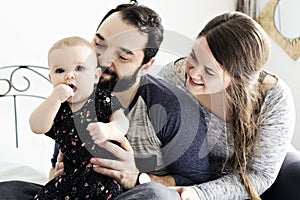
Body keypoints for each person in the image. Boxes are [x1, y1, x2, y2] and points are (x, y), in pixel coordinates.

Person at [0, 2, 210, 200]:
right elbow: (57, 162)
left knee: (157, 195)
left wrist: (137, 178)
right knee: (8, 190)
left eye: (123, 56)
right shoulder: (74, 95)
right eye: (99, 44)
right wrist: (55, 176)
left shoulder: (174, 107)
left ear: (146, 65)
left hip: (125, 194)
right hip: (74, 190)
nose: (103, 60)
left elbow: (197, 182)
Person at [158, 12, 297, 200]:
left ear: (237, 80)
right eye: (194, 56)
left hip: (236, 188)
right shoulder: (173, 79)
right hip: (181, 177)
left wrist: (199, 194)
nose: (194, 73)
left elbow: (259, 175)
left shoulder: (273, 100)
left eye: (209, 71)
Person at [29, 36, 130, 199]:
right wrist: (54, 98)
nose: (69, 75)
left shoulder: (103, 99)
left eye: (80, 68)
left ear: (96, 75)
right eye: (60, 71)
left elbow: (123, 123)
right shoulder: (56, 107)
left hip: (101, 177)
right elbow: (36, 125)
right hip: (68, 178)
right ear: (51, 78)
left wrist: (109, 129)